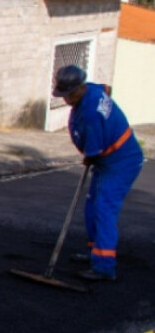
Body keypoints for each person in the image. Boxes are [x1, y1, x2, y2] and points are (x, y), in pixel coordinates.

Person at [53, 64, 144, 281]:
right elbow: (107, 89)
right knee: (92, 206)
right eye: (64, 95)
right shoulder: (93, 89)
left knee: (104, 208)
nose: (67, 100)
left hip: (120, 162)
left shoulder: (91, 115)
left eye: (70, 95)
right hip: (109, 159)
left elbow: (93, 152)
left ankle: (104, 266)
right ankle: (95, 251)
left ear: (80, 88)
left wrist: (89, 158)